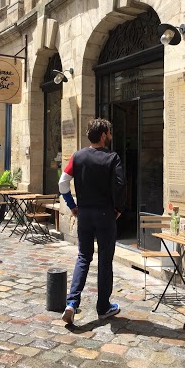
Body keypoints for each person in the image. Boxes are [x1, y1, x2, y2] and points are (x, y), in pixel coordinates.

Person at [58, 118, 126, 324]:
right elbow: (120, 184)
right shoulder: (112, 158)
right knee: (105, 260)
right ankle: (103, 307)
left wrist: (72, 205)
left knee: (83, 257)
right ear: (103, 135)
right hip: (105, 214)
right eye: (109, 132)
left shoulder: (77, 156)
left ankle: (72, 303)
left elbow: (62, 183)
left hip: (85, 214)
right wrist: (118, 208)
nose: (111, 135)